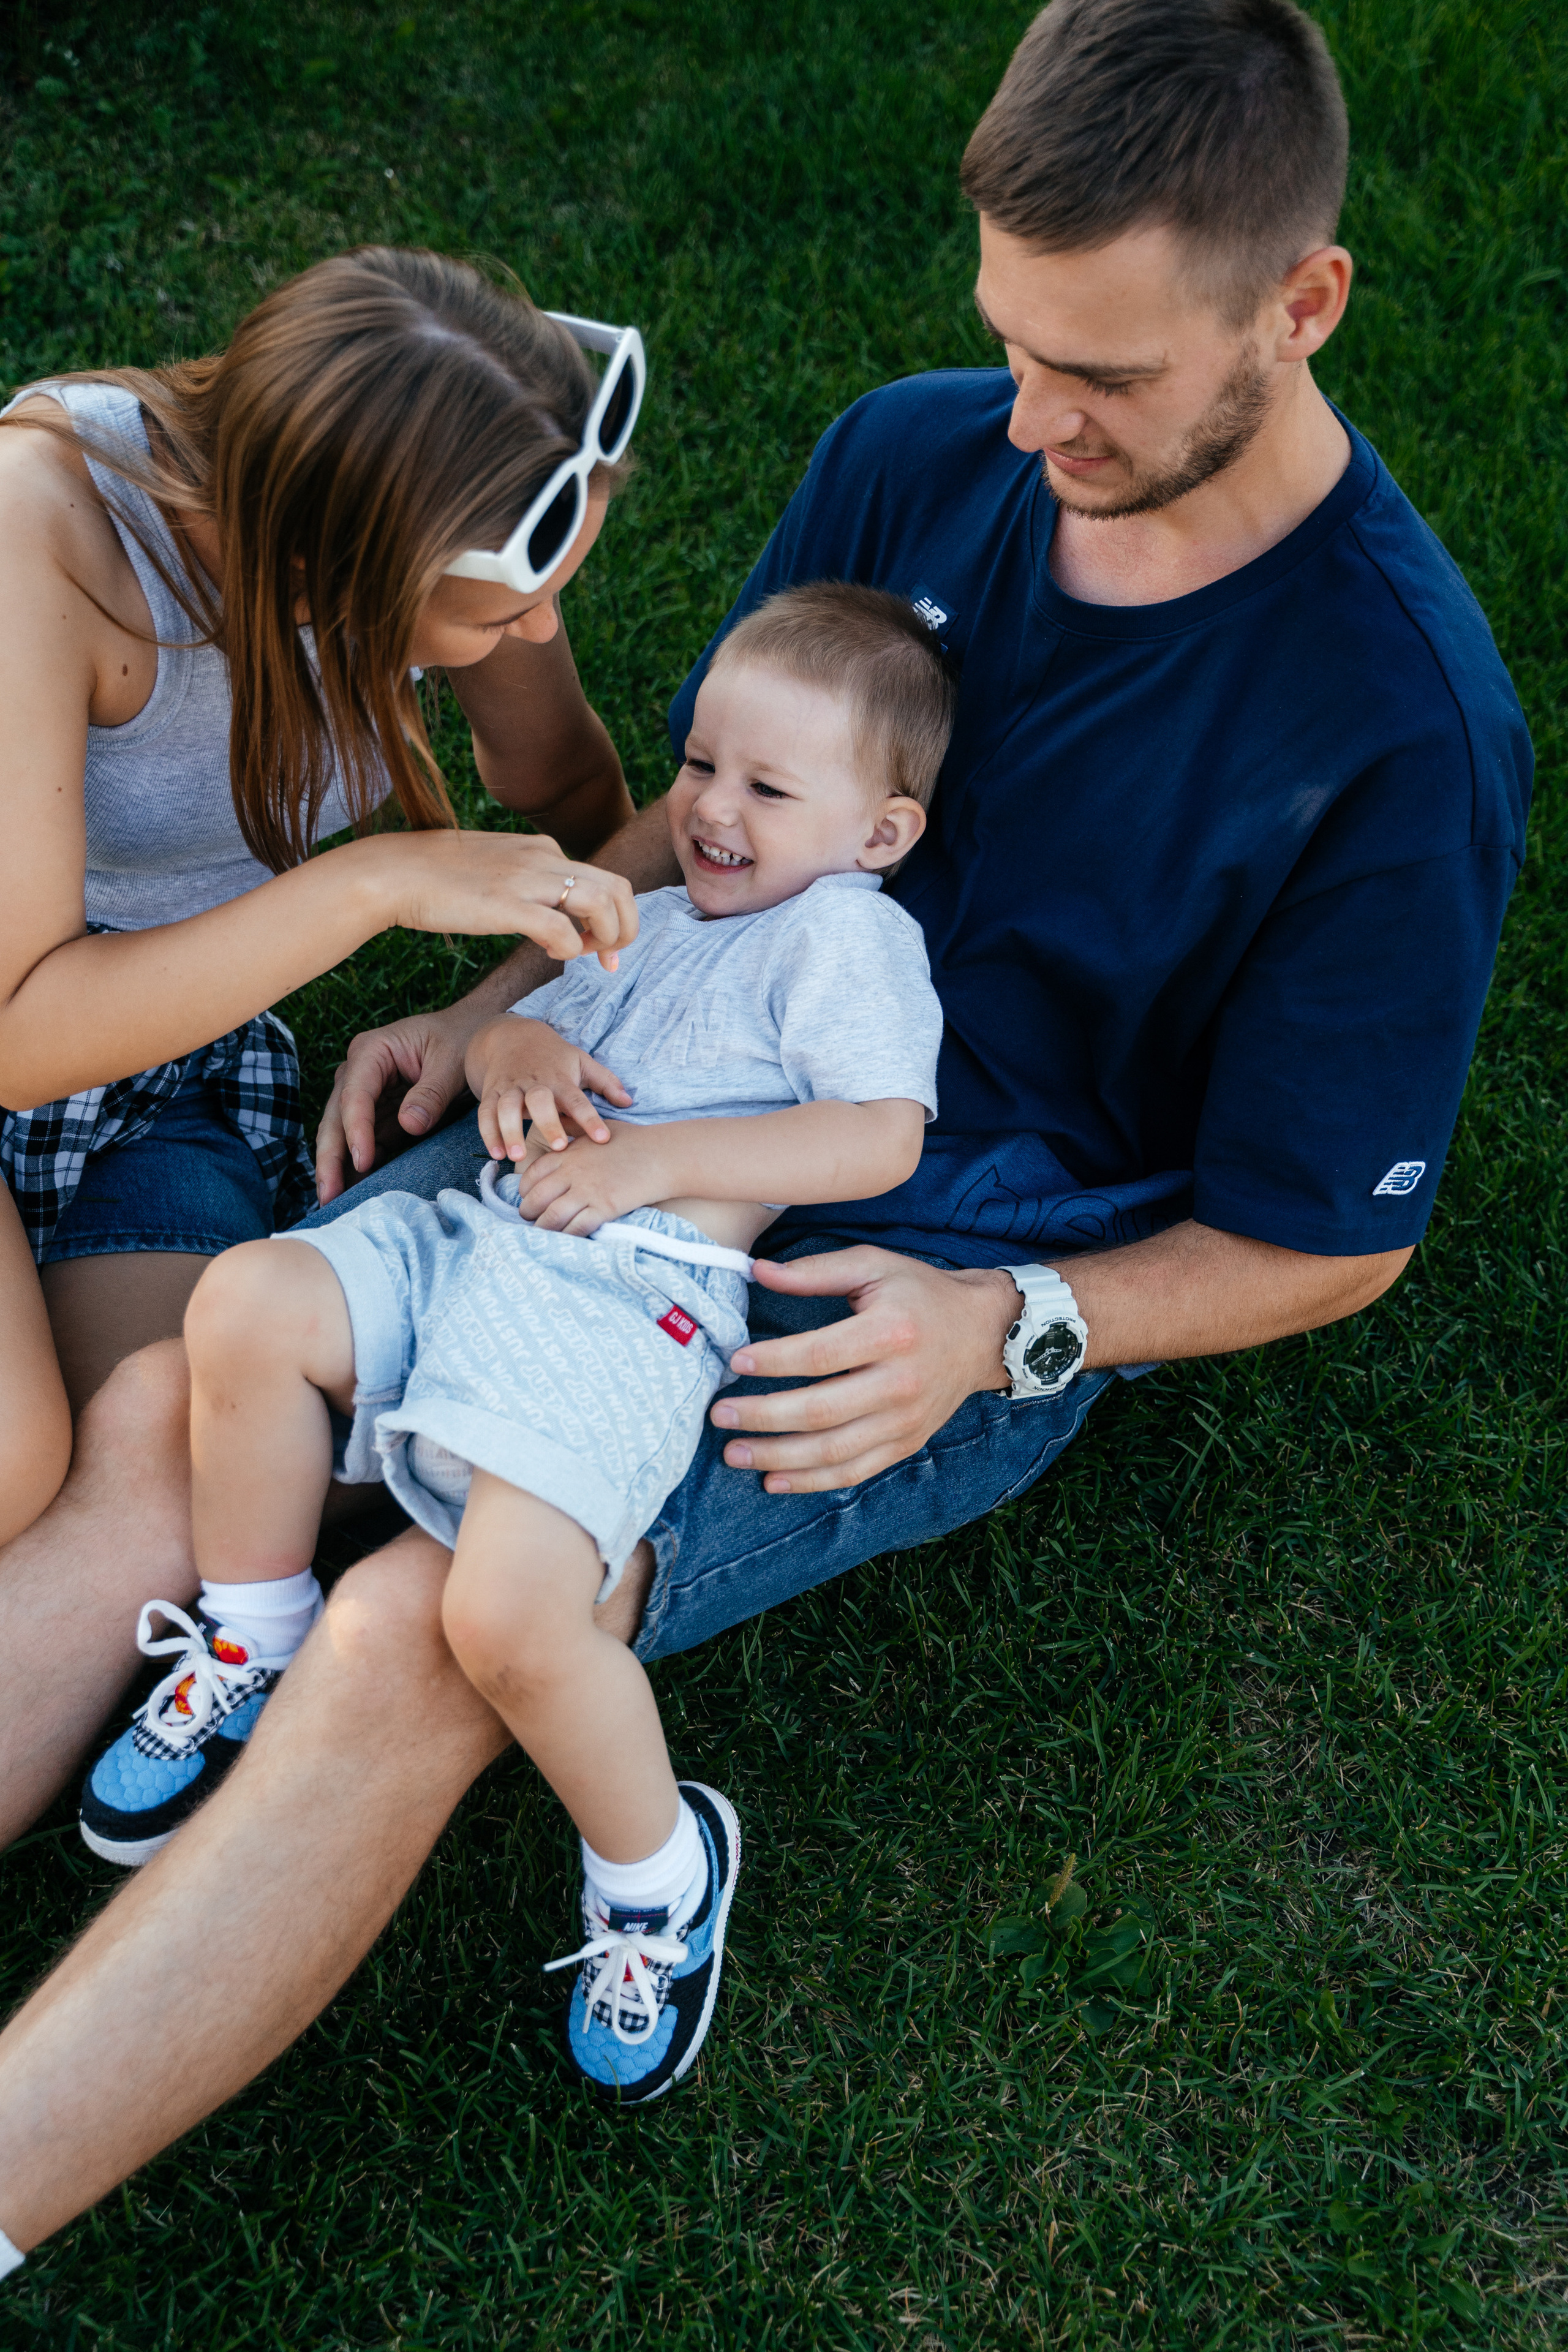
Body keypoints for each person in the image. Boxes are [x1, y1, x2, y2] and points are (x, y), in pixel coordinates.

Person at [0, 0, 1533, 2276]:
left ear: (1299, 307)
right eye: (1011, 341)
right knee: (176, 1400)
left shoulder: (1396, 727)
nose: (1028, 424)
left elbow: (1330, 1239)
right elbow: (714, 817)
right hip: (636, 1089)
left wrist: (1014, 1330)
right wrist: (497, 995)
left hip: (920, 1251)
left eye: (1098, 378)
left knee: (430, 1618)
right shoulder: (921, 453)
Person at [80, 584, 949, 2106]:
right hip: (483, 1238)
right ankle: (252, 1620)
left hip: (633, 1299)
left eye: (766, 786)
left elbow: (880, 1136)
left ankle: (657, 1873)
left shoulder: (846, 942)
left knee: (502, 1620)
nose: (711, 811)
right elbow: (514, 1034)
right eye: (695, 766)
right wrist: (516, 1040)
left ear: (877, 834)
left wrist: (651, 1167)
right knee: (250, 1305)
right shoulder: (661, 909)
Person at [0, 245, 644, 1529]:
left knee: (210, 1471)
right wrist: (380, 882)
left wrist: (639, 937)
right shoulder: (37, 534)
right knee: (12, 1469)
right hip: (31, 1021)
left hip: (165, 1063)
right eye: (495, 616)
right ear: (329, 565)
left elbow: (560, 778)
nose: (531, 634)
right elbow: (23, 1036)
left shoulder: (430, 508)